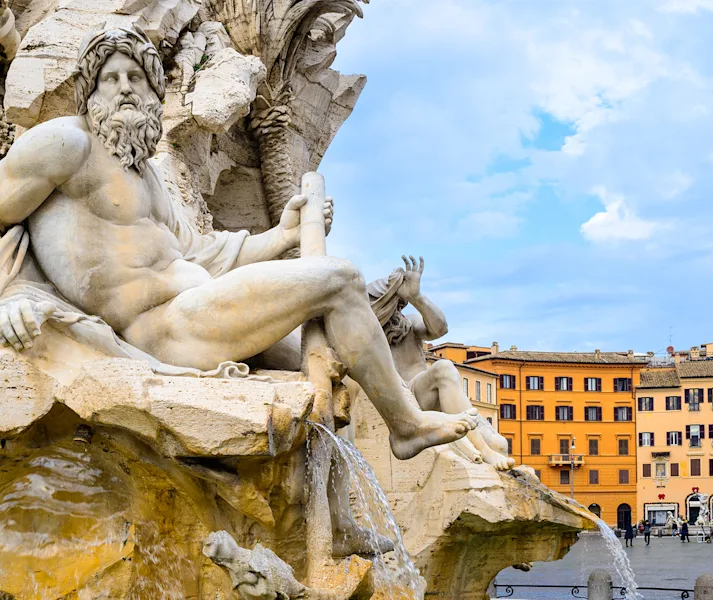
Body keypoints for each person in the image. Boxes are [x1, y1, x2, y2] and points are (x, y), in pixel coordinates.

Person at [0, 27, 479, 462]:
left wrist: (285, 235)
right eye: (110, 78)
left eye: (136, 78)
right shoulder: (64, 145)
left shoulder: (146, 175)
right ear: (91, 92)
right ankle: (407, 426)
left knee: (330, 367)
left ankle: (342, 513)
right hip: (165, 330)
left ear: (152, 92)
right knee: (341, 278)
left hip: (199, 308)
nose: (124, 87)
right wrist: (12, 297)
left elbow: (203, 253)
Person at [367, 258, 515, 470]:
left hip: (428, 393)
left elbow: (440, 329)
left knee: (500, 443)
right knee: (444, 368)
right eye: (389, 306)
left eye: (397, 307)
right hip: (403, 401)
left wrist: (417, 298)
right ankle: (484, 451)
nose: (394, 313)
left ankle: (488, 449)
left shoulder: (408, 324)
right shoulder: (367, 339)